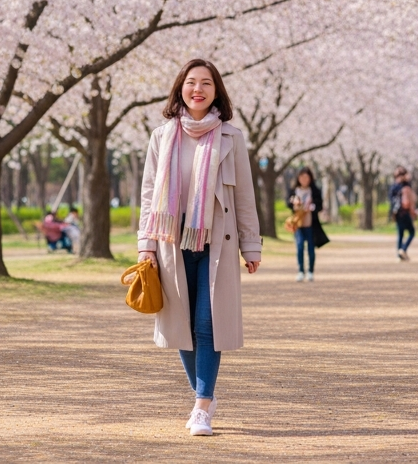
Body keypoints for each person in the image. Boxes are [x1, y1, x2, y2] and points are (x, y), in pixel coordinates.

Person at [137, 58, 262, 437]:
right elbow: (147, 195)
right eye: (191, 82)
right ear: (180, 90)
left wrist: (251, 245)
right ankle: (202, 392)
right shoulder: (162, 136)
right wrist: (146, 247)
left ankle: (202, 406)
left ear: (216, 92)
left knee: (209, 324)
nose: (198, 89)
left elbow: (244, 196)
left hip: (216, 245)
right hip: (171, 243)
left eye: (206, 83)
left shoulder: (231, 138)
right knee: (182, 326)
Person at [289, 167, 324, 282]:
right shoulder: (294, 190)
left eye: (306, 177)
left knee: (310, 248)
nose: (304, 179)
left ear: (310, 178)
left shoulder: (314, 191)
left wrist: (312, 207)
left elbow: (319, 206)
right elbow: (288, 203)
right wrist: (293, 203)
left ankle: (310, 271)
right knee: (299, 247)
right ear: (298, 178)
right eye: (301, 177)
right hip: (298, 224)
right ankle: (300, 271)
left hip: (311, 224)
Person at [389, 167, 417, 261]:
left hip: (396, 213)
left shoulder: (393, 186)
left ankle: (399, 253)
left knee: (400, 234)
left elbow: (391, 200)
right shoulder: (405, 186)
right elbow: (408, 201)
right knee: (412, 232)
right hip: (405, 212)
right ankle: (403, 249)